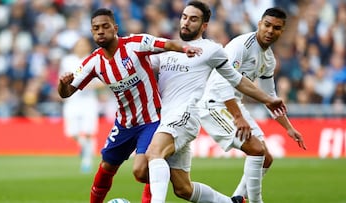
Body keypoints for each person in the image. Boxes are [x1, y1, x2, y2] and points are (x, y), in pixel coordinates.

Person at [144, 1, 286, 203]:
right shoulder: (169, 50)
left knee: (154, 153)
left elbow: (236, 81)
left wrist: (265, 101)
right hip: (167, 119)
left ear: (204, 25)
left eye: (193, 19)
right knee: (180, 188)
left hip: (186, 115)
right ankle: (233, 202)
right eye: (184, 17)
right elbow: (144, 68)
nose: (186, 22)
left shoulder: (212, 50)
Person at [57, 8, 202, 203]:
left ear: (115, 28)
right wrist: (62, 84)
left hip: (152, 119)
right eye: (95, 28)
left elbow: (166, 43)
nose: (100, 31)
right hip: (124, 123)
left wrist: (184, 49)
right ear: (92, 32)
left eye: (105, 27)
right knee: (106, 167)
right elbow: (66, 93)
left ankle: (158, 184)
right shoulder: (94, 62)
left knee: (141, 171)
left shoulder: (136, 44)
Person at [198, 7, 307, 202]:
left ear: (282, 31)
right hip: (214, 105)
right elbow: (224, 84)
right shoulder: (242, 45)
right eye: (267, 25)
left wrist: (289, 128)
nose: (270, 31)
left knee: (266, 158)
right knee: (256, 149)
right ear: (259, 24)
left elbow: (269, 96)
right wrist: (238, 118)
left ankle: (237, 198)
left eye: (276, 28)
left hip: (233, 106)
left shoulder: (269, 59)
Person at [59, 37, 102, 173]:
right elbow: (61, 79)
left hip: (88, 101)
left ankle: (87, 161)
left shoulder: (94, 59)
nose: (81, 47)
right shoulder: (67, 61)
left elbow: (104, 81)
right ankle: (86, 148)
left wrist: (90, 86)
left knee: (88, 132)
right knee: (72, 133)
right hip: (72, 101)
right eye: (79, 45)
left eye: (84, 45)